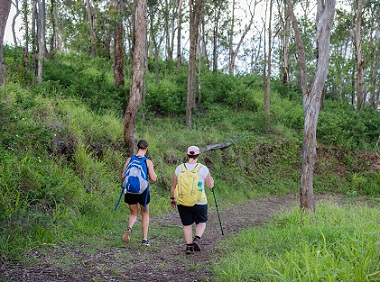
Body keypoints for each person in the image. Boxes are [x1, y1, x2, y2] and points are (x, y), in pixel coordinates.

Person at [170, 145, 214, 254]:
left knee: (187, 224)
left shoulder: (179, 168)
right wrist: (211, 181)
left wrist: (172, 198)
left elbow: (174, 186)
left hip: (182, 201)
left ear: (187, 155)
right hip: (200, 201)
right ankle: (197, 238)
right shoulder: (203, 168)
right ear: (198, 155)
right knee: (202, 221)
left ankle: (189, 247)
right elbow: (210, 185)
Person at [121, 139, 157, 246]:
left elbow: (123, 176)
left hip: (130, 190)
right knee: (145, 213)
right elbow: (153, 178)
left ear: (137, 148)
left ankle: (129, 228)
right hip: (143, 192)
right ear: (147, 149)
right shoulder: (148, 162)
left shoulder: (129, 159)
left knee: (133, 213)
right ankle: (145, 240)